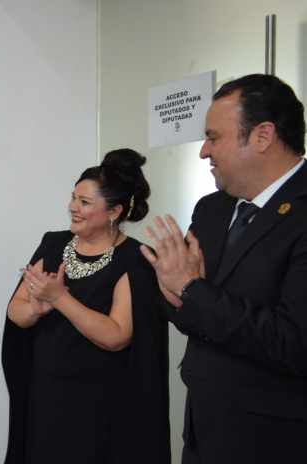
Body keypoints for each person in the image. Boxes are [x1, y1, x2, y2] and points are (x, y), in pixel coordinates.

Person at [141, 74, 307, 464]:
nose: (203, 151)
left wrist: (191, 288)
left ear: (263, 136)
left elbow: (296, 344)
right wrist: (173, 289)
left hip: (273, 440)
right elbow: (187, 308)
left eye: (213, 138)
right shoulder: (211, 209)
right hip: (203, 428)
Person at [2, 149, 170, 464]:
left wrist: (59, 299)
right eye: (73, 198)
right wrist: (34, 311)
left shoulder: (136, 260)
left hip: (98, 403)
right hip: (47, 394)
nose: (72, 207)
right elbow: (16, 310)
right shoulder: (53, 244)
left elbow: (117, 336)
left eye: (85, 202)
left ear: (114, 211)